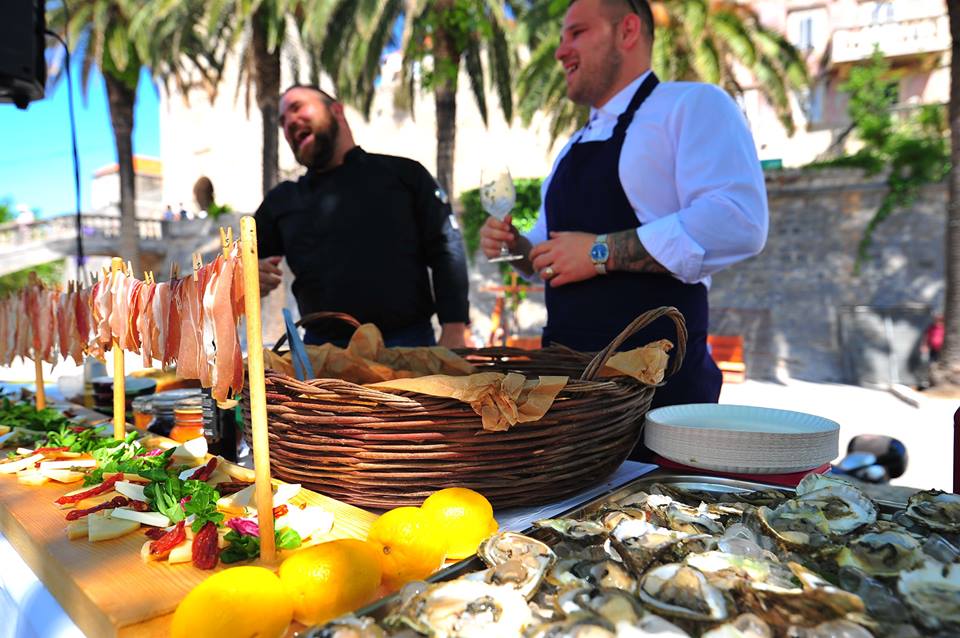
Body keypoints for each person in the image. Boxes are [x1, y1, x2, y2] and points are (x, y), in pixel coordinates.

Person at [480, 0, 768, 410]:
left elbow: (738, 221)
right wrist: (512, 247)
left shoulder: (692, 105)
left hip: (659, 395)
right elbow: (546, 258)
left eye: (577, 33)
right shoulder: (570, 148)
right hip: (568, 398)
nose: (560, 51)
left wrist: (599, 252)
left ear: (627, 31)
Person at [254, 85, 470, 348]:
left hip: (409, 346)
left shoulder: (405, 175)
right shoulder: (283, 200)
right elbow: (238, 263)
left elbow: (446, 248)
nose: (289, 123)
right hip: (321, 354)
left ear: (337, 110)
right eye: (283, 122)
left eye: (296, 107)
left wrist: (455, 328)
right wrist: (246, 277)